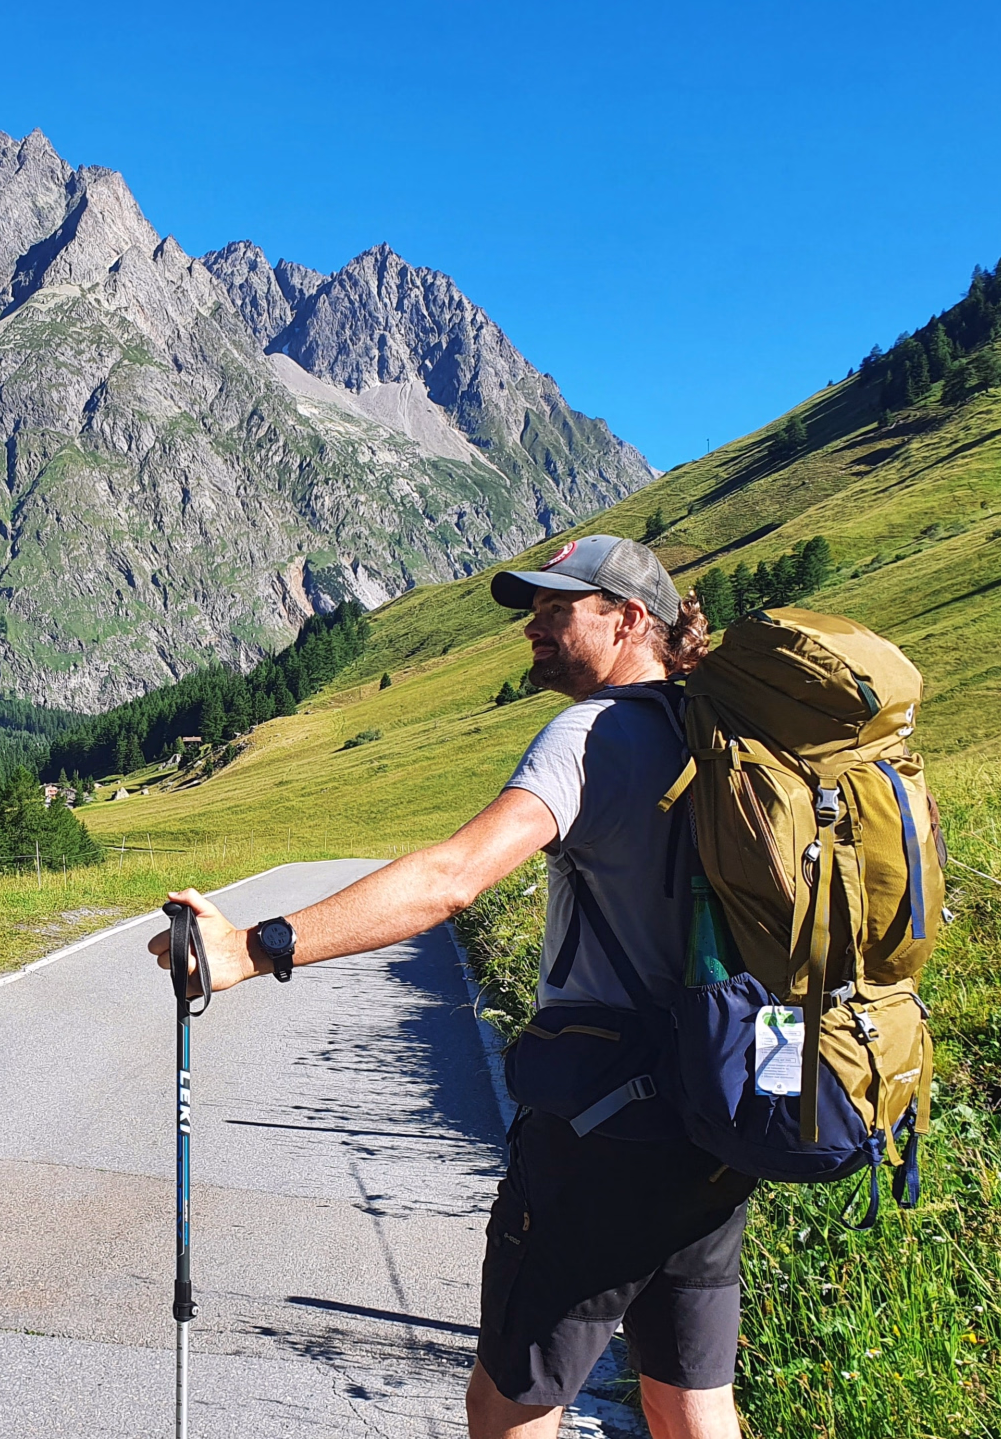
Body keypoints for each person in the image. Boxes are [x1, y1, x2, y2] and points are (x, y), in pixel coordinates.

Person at [151, 536, 749, 1439]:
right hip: (718, 1108)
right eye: (532, 614)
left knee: (511, 1404)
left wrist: (254, 947)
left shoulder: (594, 734)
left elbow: (452, 879)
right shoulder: (718, 732)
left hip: (604, 1129)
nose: (535, 632)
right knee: (687, 1397)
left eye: (559, 611)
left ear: (630, 620)